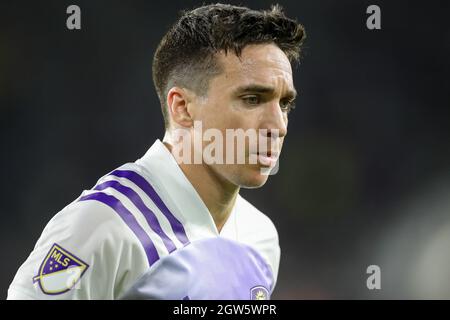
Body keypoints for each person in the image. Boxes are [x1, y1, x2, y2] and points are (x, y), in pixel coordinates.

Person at [8, 3, 306, 299]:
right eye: (252, 99)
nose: (278, 125)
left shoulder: (260, 237)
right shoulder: (103, 227)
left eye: (284, 104)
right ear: (182, 108)